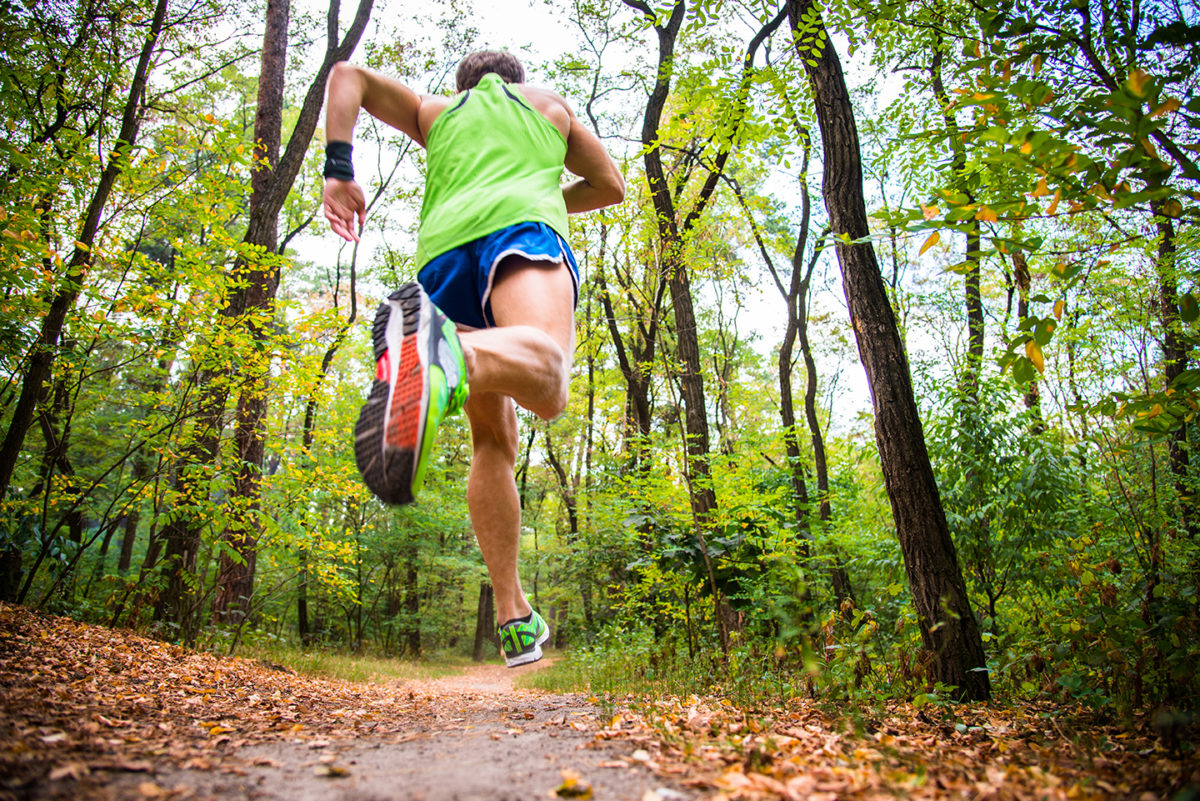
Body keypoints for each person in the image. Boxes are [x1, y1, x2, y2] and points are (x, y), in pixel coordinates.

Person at [321, 51, 624, 667]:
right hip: (521, 234)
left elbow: (345, 74)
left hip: (442, 264)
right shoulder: (546, 103)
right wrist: (546, 192)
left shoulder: (436, 112)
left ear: (461, 85)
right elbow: (610, 186)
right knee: (549, 381)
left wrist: (338, 169)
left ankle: (513, 614)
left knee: (494, 440)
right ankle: (445, 352)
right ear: (513, 78)